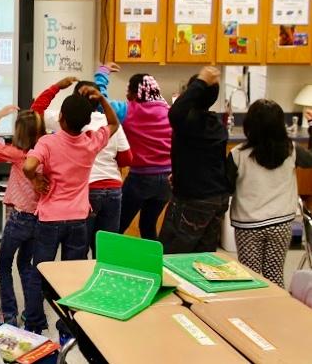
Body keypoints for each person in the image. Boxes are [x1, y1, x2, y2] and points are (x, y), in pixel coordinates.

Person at [22, 86, 118, 334]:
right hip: (78, 218)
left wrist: (35, 180)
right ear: (86, 122)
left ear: (61, 118)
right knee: (72, 275)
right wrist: (102, 98)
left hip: (50, 219)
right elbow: (114, 124)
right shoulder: (91, 142)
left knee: (39, 271)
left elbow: (29, 165)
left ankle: (34, 324)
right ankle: (67, 326)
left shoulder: (48, 142)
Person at [32, 75, 133, 256]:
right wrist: (103, 99)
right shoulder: (101, 129)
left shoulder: (63, 123)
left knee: (78, 249)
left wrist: (56, 86)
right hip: (113, 189)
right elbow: (126, 158)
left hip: (86, 192)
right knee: (106, 250)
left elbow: (35, 111)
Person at [227, 102, 312, 288]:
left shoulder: (237, 154)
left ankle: (254, 306)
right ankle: (276, 305)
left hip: (248, 225)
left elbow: (227, 187)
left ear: (249, 124)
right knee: (275, 275)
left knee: (249, 278)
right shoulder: (292, 150)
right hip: (281, 223)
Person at [0, 104, 45, 327]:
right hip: (39, 219)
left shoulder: (18, 155)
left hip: (19, 219)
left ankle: (8, 314)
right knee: (26, 265)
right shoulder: (44, 155)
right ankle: (31, 313)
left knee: (3, 264)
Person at [96, 63, 172, 240]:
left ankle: (112, 256)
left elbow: (100, 103)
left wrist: (102, 72)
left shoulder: (128, 110)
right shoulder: (169, 112)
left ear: (135, 93)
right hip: (167, 180)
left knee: (118, 225)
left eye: (128, 91)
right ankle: (151, 257)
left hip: (141, 177)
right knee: (148, 224)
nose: (126, 95)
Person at [160, 67, 230, 253]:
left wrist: (201, 81)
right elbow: (202, 159)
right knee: (203, 254)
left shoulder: (187, 122)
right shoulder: (216, 123)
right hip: (217, 197)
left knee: (171, 253)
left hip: (194, 198)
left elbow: (175, 112)